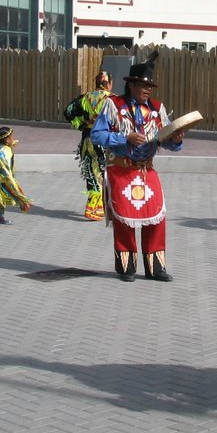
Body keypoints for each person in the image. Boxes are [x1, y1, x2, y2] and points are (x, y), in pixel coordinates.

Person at [90, 51, 185, 282]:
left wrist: (176, 139)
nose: (148, 89)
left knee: (157, 217)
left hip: (146, 170)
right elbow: (97, 135)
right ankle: (126, 267)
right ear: (131, 84)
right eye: (143, 85)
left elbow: (168, 142)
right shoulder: (114, 105)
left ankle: (155, 268)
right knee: (124, 218)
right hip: (121, 169)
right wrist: (125, 139)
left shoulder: (156, 109)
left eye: (150, 86)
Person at [69, 70, 114, 221]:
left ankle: (98, 207)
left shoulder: (85, 98)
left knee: (92, 172)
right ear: (108, 83)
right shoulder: (112, 99)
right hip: (104, 141)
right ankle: (92, 207)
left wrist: (82, 123)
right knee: (102, 173)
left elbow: (68, 112)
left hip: (88, 139)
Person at [0, 126, 32, 225]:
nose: (13, 138)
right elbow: (3, 166)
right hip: (2, 180)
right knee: (3, 198)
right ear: (7, 139)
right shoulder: (4, 151)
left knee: (3, 198)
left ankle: (0, 217)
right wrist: (10, 180)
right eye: (11, 137)